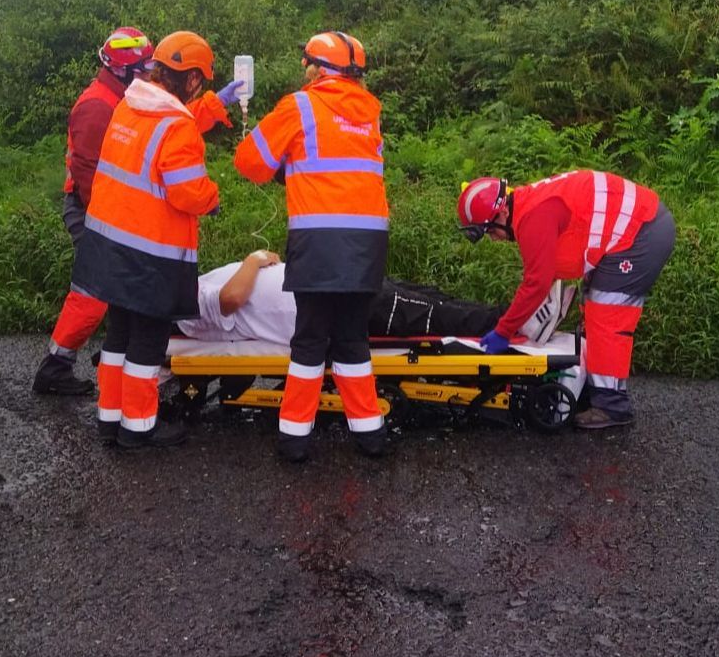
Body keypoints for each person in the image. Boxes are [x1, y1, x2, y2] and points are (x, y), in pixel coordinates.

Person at [233, 32, 390, 462]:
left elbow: (250, 162)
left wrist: (286, 166)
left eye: (307, 66)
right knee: (353, 341)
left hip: (319, 240)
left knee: (309, 341)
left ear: (318, 70)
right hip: (368, 242)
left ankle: (294, 439)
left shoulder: (299, 106)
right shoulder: (370, 114)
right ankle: (370, 435)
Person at [73, 30, 234, 450]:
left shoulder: (130, 106)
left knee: (118, 334)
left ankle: (110, 419)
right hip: (151, 252)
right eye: (202, 81)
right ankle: (139, 428)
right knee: (148, 340)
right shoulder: (176, 125)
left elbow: (167, 129)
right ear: (193, 79)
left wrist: (216, 107)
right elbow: (187, 191)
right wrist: (213, 198)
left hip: (109, 246)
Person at [457, 169, 675, 429]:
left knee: (606, 314)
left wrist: (504, 331)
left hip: (641, 233)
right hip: (635, 227)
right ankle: (591, 387)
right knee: (592, 305)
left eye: (490, 231)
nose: (494, 239)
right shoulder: (529, 205)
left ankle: (612, 407)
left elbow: (537, 283)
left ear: (502, 213)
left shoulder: (533, 218)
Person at [31, 27, 153, 397]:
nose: (148, 74)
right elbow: (86, 172)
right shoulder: (97, 106)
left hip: (108, 208)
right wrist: (106, 220)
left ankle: (115, 351)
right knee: (94, 292)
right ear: (123, 70)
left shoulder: (118, 97)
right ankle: (55, 368)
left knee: (117, 285)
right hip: (92, 210)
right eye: (144, 68)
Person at [175, 249, 568, 344]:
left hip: (327, 287)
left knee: (428, 297)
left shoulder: (195, 283)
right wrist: (254, 259)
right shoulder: (187, 303)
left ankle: (523, 313)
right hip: (322, 309)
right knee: (428, 314)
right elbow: (230, 300)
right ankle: (526, 324)